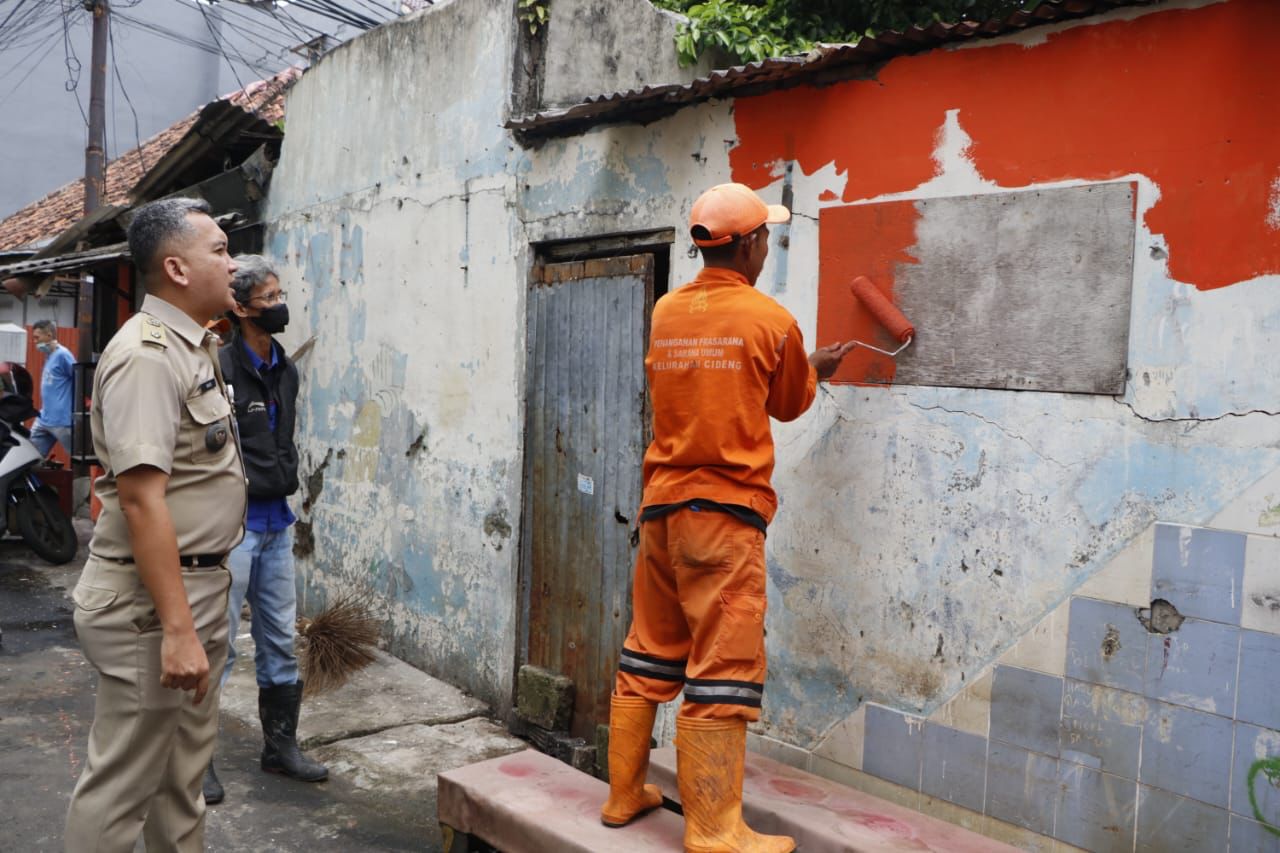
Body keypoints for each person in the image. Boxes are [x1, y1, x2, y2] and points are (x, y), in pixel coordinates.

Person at [600, 183, 856, 853]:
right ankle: (714, 829)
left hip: (662, 512)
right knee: (722, 669)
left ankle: (623, 794)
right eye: (766, 237)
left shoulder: (666, 311)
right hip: (724, 518)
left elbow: (712, 381)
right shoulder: (772, 320)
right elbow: (788, 402)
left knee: (647, 653)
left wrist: (797, 365)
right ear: (748, 245)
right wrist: (814, 368)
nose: (768, 247)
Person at [64, 197, 246, 853]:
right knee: (122, 788)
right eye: (220, 250)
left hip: (195, 589)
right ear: (176, 267)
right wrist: (177, 629)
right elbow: (142, 500)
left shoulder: (195, 345)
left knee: (180, 781)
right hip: (151, 604)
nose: (233, 263)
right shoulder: (147, 355)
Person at [202, 255, 326, 804]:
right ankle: (195, 761)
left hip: (278, 521)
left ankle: (280, 748)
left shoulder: (285, 369)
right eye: (270, 298)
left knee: (279, 640)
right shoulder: (219, 368)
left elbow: (284, 438)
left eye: (280, 295)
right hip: (233, 526)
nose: (280, 306)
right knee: (219, 645)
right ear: (241, 308)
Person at [30, 319, 76, 457]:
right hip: (44, 418)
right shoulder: (49, 356)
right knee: (29, 455)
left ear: (49, 335)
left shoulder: (63, 355)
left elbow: (80, 379)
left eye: (37, 337)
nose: (34, 341)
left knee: (77, 458)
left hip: (62, 421)